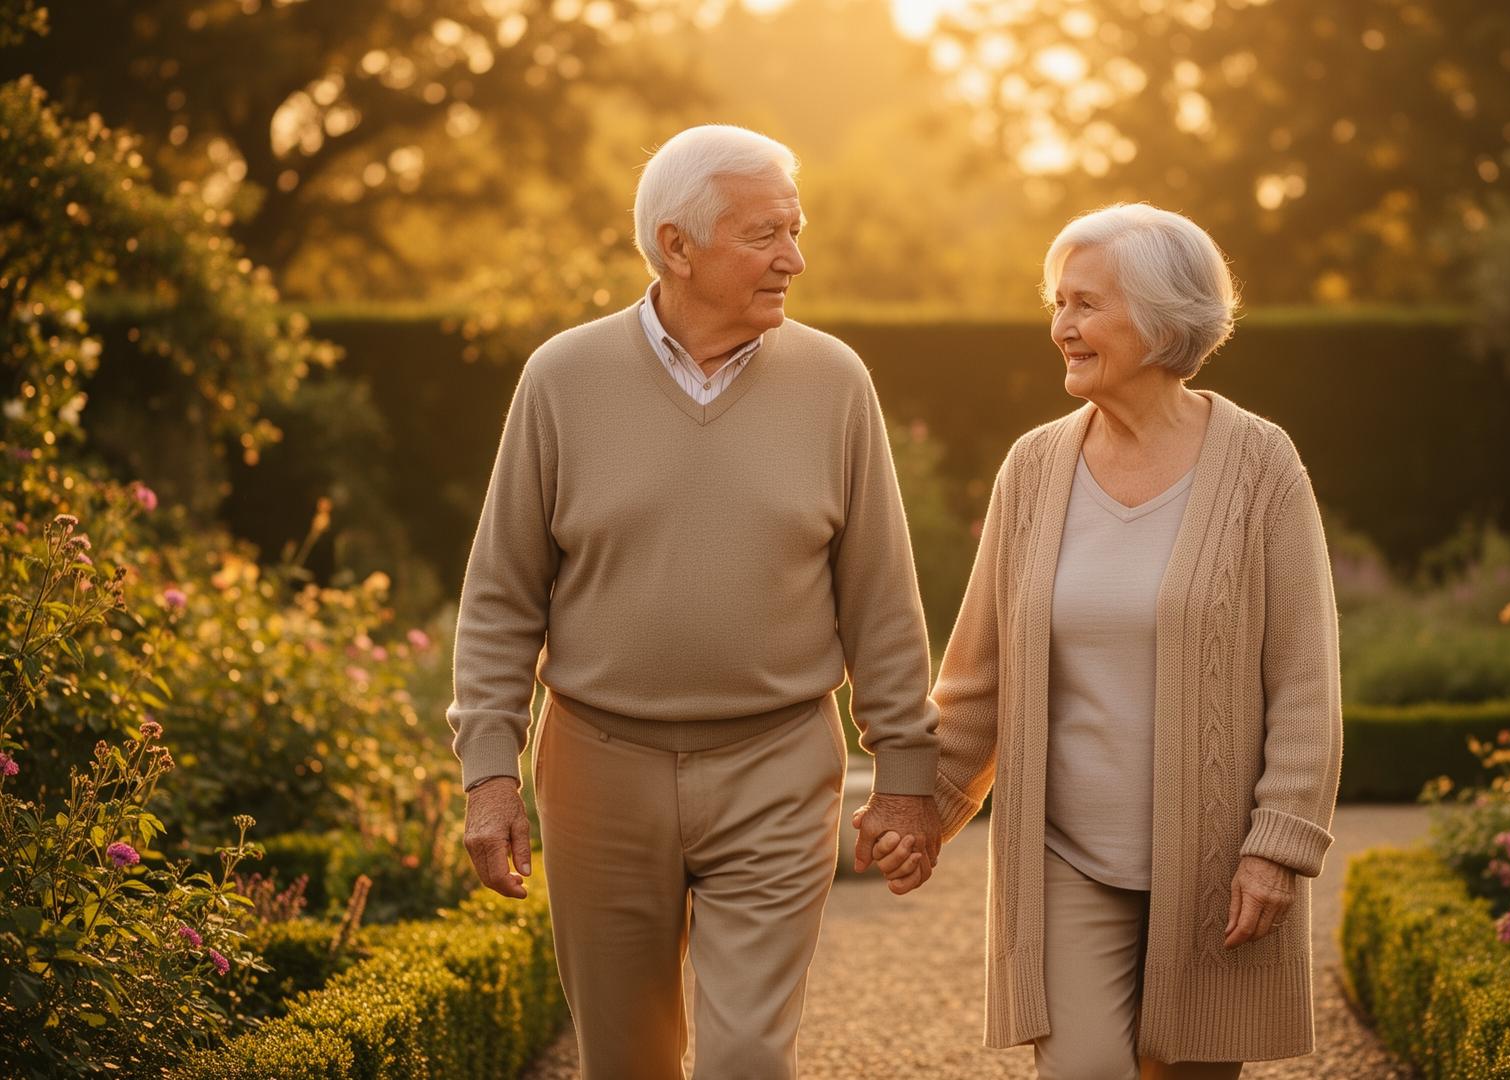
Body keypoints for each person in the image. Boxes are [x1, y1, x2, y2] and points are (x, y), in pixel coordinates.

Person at [449, 124, 943, 1079]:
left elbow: (881, 597)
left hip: (777, 764)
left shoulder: (835, 382)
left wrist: (909, 776)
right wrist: (489, 773)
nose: (793, 259)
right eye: (766, 235)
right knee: (626, 1059)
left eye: (795, 231)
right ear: (676, 245)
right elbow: (502, 595)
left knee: (748, 1058)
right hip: (599, 767)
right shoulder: (562, 379)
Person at [864, 202, 1344, 1078]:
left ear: (1159, 318)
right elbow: (978, 678)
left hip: (1214, 869)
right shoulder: (1035, 468)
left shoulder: (1261, 465)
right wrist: (917, 807)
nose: (1061, 328)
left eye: (1084, 304)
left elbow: (1305, 680)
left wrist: (1279, 845)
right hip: (1065, 859)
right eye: (1057, 303)